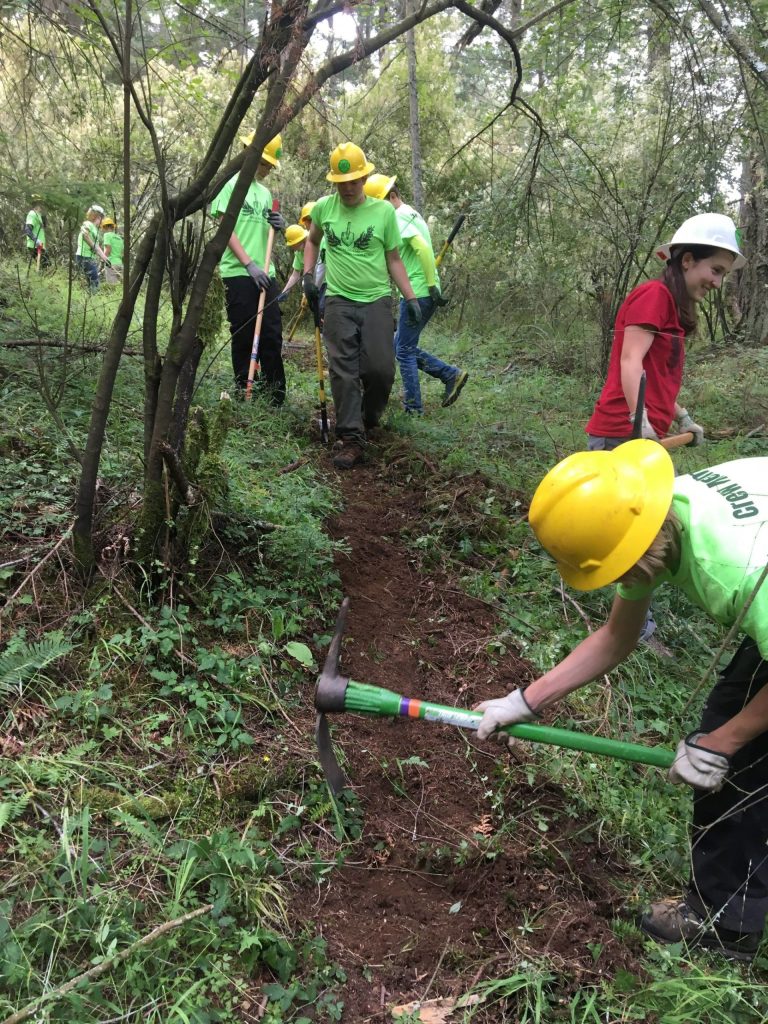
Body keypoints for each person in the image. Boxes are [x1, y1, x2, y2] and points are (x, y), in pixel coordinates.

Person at [476, 439, 768, 962]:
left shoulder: (733, 571)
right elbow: (617, 636)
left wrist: (722, 744)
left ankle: (724, 928)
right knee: (734, 727)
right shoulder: (650, 512)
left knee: (740, 751)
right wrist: (524, 700)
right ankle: (729, 911)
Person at [302, 143, 421, 470]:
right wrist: (308, 276)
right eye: (342, 182)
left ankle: (368, 418)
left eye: (354, 181)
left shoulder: (383, 213)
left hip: (377, 301)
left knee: (380, 370)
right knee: (343, 371)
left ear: (365, 177)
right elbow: (311, 241)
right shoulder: (324, 209)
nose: (349, 188)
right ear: (334, 182)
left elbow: (393, 258)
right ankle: (351, 437)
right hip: (338, 301)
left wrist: (410, 297)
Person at [586, 213, 744, 450]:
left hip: (638, 435)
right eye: (716, 270)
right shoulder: (655, 295)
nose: (718, 283)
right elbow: (630, 360)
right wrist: (639, 421)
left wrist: (682, 417)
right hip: (619, 436)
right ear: (688, 260)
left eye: (723, 274)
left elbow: (654, 382)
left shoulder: (670, 305)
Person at [364, 173, 467, 414]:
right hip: (421, 290)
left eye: (379, 204)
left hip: (418, 293)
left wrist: (431, 285)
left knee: (404, 350)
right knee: (399, 344)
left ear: (392, 196)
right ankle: (450, 374)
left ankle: (414, 408)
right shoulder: (410, 213)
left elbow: (421, 247)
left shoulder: (398, 217)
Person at [210, 132, 287, 404]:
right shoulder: (230, 183)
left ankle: (275, 396)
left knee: (271, 335)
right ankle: (245, 391)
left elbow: (267, 234)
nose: (266, 170)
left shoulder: (265, 193)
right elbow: (225, 226)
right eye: (265, 164)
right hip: (239, 273)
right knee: (243, 333)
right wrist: (248, 264)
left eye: (269, 166)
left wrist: (279, 225)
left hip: (267, 273)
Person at [278, 224, 308, 300]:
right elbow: (295, 275)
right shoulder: (299, 253)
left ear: (299, 240)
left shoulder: (319, 242)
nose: (293, 248)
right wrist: (285, 291)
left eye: (293, 245)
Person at [24, 196, 49, 269]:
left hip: (40, 245)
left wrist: (44, 216)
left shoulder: (39, 215)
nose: (42, 206)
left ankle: (39, 278)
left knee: (46, 264)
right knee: (44, 265)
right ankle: (38, 279)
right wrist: (36, 240)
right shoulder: (32, 214)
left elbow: (44, 226)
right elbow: (28, 230)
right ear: (36, 205)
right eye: (41, 204)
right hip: (34, 245)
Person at [100, 217, 124, 284]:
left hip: (110, 263)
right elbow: (122, 253)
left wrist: (102, 259)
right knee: (120, 286)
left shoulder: (107, 235)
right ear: (113, 227)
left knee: (112, 287)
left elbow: (108, 249)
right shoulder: (119, 238)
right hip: (120, 264)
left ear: (105, 227)